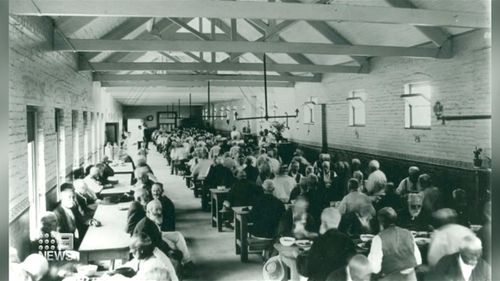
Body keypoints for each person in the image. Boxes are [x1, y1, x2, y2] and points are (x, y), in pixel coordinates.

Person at [299, 208, 356, 281]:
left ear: (324, 223)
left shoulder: (319, 241)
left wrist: (298, 257)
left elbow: (307, 271)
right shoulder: (348, 240)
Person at [134, 200, 193, 268]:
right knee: (173, 252)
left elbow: (158, 236)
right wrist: (169, 250)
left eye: (160, 209)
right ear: (148, 212)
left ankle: (187, 261)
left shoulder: (151, 220)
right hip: (147, 247)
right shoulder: (145, 227)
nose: (159, 212)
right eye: (156, 210)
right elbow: (153, 244)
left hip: (156, 237)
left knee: (177, 235)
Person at [367, 207, 421, 281]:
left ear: (380, 222)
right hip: (411, 278)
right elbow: (418, 260)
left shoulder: (378, 239)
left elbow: (374, 268)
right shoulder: (408, 233)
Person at [113, 232, 178, 281]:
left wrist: (116, 276)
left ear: (141, 251)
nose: (131, 252)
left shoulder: (154, 264)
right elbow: (133, 264)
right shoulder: (150, 253)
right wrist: (115, 271)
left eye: (133, 250)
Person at [53, 183, 101, 247]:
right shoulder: (57, 214)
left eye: (73, 197)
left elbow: (81, 219)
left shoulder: (73, 207)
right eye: (69, 197)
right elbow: (59, 238)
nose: (72, 200)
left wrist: (91, 221)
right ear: (61, 197)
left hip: (77, 241)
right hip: (68, 247)